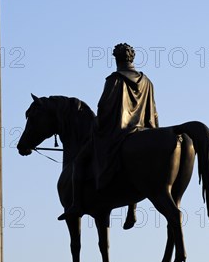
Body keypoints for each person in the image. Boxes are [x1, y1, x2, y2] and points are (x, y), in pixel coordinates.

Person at [58, 43, 159, 228]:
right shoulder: (147, 81)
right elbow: (153, 112)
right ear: (132, 58)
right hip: (143, 130)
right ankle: (132, 210)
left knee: (79, 162)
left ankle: (76, 205)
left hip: (118, 132)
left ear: (116, 59)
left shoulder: (115, 79)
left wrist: (95, 124)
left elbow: (104, 108)